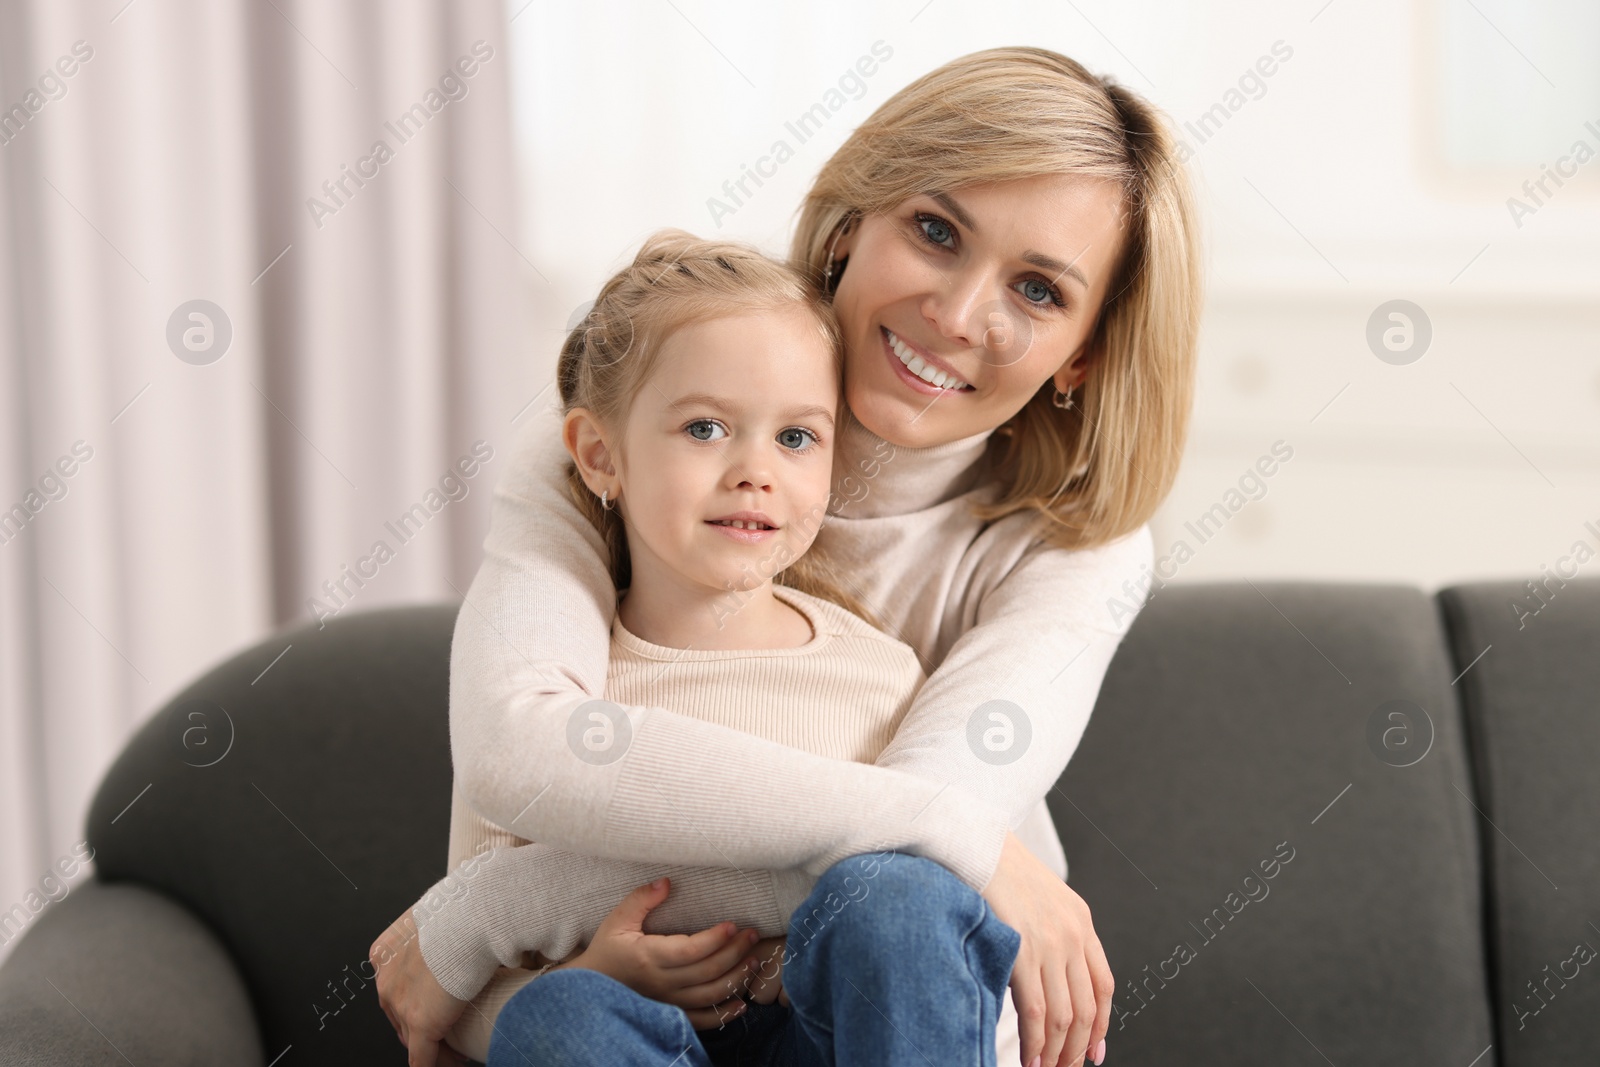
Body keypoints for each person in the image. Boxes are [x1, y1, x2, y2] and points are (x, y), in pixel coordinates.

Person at [373, 44, 1200, 1067]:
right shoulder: (621, 440)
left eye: (1036, 290)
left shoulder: (1079, 549)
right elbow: (518, 754)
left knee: (893, 897)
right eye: (936, 231)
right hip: (645, 1015)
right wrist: (976, 847)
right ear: (851, 227)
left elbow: (908, 876)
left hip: (910, 1016)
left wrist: (481, 916)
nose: (955, 314)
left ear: (1081, 354)